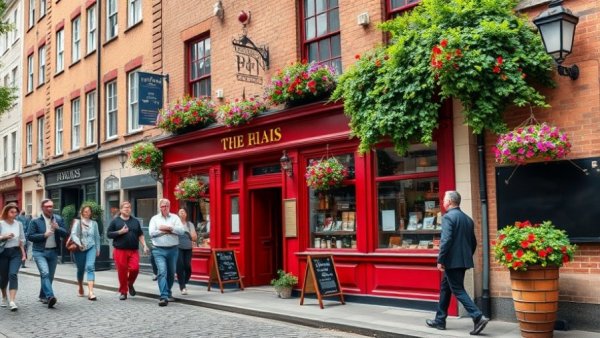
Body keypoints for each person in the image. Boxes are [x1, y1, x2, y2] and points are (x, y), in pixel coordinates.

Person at [426, 191, 489, 335]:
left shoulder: (448, 217)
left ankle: (478, 316)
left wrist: (440, 260)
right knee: (445, 288)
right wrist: (465, 256)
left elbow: (446, 241)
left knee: (458, 290)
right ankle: (440, 320)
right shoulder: (468, 219)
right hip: (462, 261)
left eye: (444, 200)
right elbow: (473, 243)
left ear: (449, 202)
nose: (442, 202)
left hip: (451, 262)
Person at [26, 198, 67, 308]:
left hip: (53, 252)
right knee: (45, 273)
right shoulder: (35, 221)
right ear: (42, 208)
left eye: (51, 206)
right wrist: (44, 235)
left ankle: (42, 295)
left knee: (49, 276)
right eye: (48, 206)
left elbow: (65, 234)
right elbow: (29, 236)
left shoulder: (58, 219)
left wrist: (58, 228)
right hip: (39, 252)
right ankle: (50, 297)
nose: (50, 208)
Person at [107, 201, 148, 300]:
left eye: (129, 207)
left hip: (133, 250)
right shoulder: (115, 221)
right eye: (125, 207)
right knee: (122, 272)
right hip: (120, 250)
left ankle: (130, 284)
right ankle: (123, 292)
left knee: (135, 268)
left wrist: (145, 245)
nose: (127, 209)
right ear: (121, 209)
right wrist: (120, 232)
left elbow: (140, 234)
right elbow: (108, 234)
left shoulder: (135, 221)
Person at [149, 198, 185, 306]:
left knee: (171, 273)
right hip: (158, 250)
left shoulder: (175, 218)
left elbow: (181, 231)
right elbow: (152, 233)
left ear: (169, 206)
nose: (164, 208)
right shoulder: (154, 219)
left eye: (166, 206)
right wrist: (165, 230)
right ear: (160, 207)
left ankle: (168, 292)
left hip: (173, 249)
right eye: (162, 206)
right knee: (162, 272)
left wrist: (169, 228)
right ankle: (164, 296)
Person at [70, 205, 101, 300]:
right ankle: (80, 286)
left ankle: (91, 292)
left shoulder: (94, 223)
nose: (87, 213)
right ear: (82, 212)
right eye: (85, 211)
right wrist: (79, 244)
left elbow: (97, 236)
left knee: (90, 267)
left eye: (89, 211)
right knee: (80, 269)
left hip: (91, 247)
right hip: (79, 249)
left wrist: (98, 248)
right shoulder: (78, 223)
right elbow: (73, 234)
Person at [0, 203, 27, 311]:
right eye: (12, 212)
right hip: (3, 252)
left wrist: (23, 253)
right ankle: (4, 296)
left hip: (16, 252)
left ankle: (12, 301)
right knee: (3, 278)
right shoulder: (1, 224)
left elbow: (23, 239)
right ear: (6, 212)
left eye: (16, 212)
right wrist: (4, 237)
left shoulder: (19, 224)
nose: (14, 214)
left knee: (13, 274)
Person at [176, 208, 197, 295]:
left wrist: (192, 235)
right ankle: (182, 287)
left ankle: (184, 282)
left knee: (187, 266)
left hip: (188, 248)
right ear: (178, 214)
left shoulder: (190, 224)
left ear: (186, 214)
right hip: (178, 247)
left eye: (184, 212)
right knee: (180, 266)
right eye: (180, 212)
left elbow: (194, 237)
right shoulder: (176, 224)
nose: (182, 213)